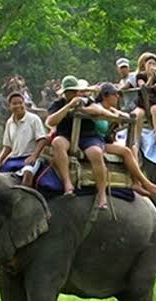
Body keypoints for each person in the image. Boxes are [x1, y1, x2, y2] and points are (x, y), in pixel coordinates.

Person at [47, 75, 124, 208]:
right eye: (68, 92)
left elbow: (98, 110)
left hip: (88, 136)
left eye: (73, 91)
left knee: (95, 152)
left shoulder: (86, 100)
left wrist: (82, 109)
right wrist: (69, 106)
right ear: (64, 93)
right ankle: (67, 183)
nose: (71, 94)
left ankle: (102, 194)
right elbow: (50, 121)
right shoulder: (58, 104)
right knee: (57, 143)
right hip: (67, 136)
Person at [94, 83, 156, 196]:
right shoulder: (97, 108)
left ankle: (136, 183)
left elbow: (127, 117)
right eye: (114, 94)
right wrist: (115, 116)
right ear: (105, 96)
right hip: (96, 141)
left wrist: (117, 114)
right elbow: (102, 115)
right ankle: (145, 182)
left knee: (133, 147)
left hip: (106, 141)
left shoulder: (110, 109)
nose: (117, 97)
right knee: (126, 151)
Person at [0, 92, 48, 187]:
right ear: (9, 106)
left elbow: (42, 139)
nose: (18, 106)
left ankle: (27, 200)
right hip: (14, 158)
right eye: (14, 104)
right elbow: (7, 146)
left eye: (20, 103)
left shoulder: (34, 119)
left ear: (24, 104)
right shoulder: (9, 122)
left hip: (29, 157)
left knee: (28, 174)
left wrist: (34, 156)